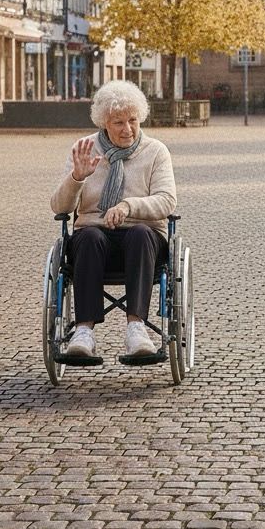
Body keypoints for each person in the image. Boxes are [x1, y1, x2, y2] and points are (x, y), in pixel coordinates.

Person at [51, 81, 177, 359]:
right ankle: (83, 332)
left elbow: (167, 200)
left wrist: (128, 206)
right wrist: (77, 178)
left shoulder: (156, 152)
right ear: (103, 122)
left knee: (140, 234)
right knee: (88, 236)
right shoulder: (84, 149)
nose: (127, 129)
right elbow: (59, 206)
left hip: (143, 243)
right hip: (93, 242)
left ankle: (136, 329)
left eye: (132, 120)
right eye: (118, 122)